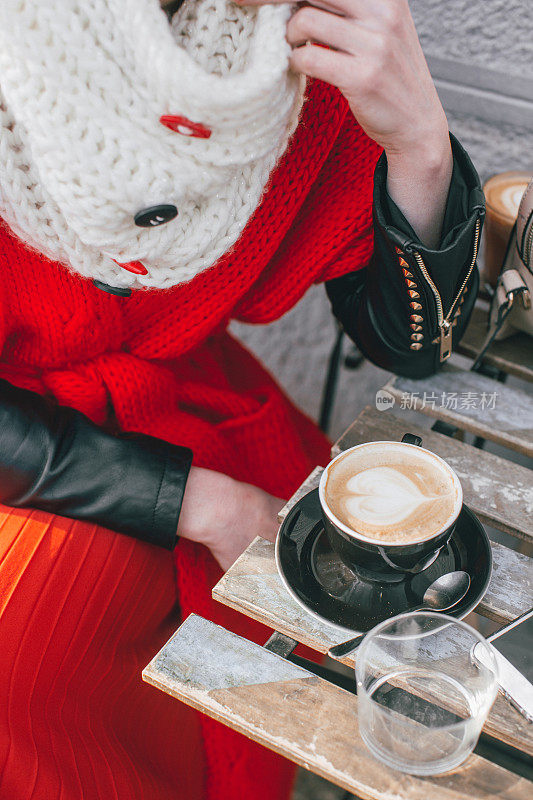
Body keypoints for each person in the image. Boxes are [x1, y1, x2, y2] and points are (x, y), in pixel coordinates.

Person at [0, 0, 483, 798]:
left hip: (195, 412)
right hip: (57, 460)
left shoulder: (288, 42)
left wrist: (420, 146)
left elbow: (412, 347)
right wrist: (203, 503)